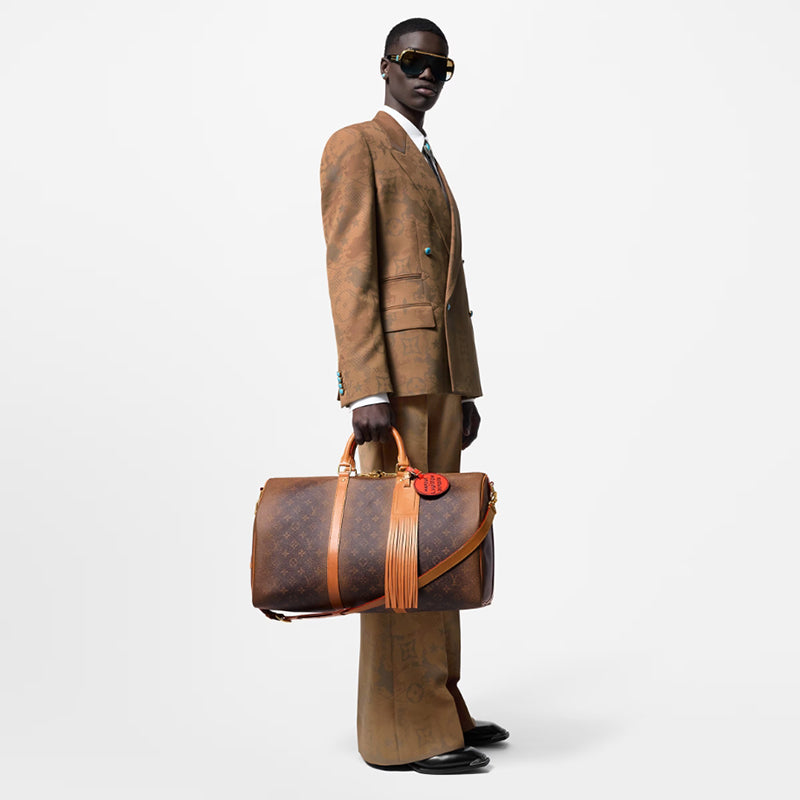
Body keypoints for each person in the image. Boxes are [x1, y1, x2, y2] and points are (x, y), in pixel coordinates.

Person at [320, 18, 508, 775]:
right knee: (397, 555)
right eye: (413, 60)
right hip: (393, 386)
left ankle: (440, 702)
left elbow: (444, 285)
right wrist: (365, 385)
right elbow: (350, 272)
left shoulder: (426, 156)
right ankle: (403, 732)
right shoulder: (357, 144)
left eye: (440, 66)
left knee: (440, 550)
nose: (427, 74)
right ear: (385, 66)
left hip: (438, 382)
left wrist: (463, 387)